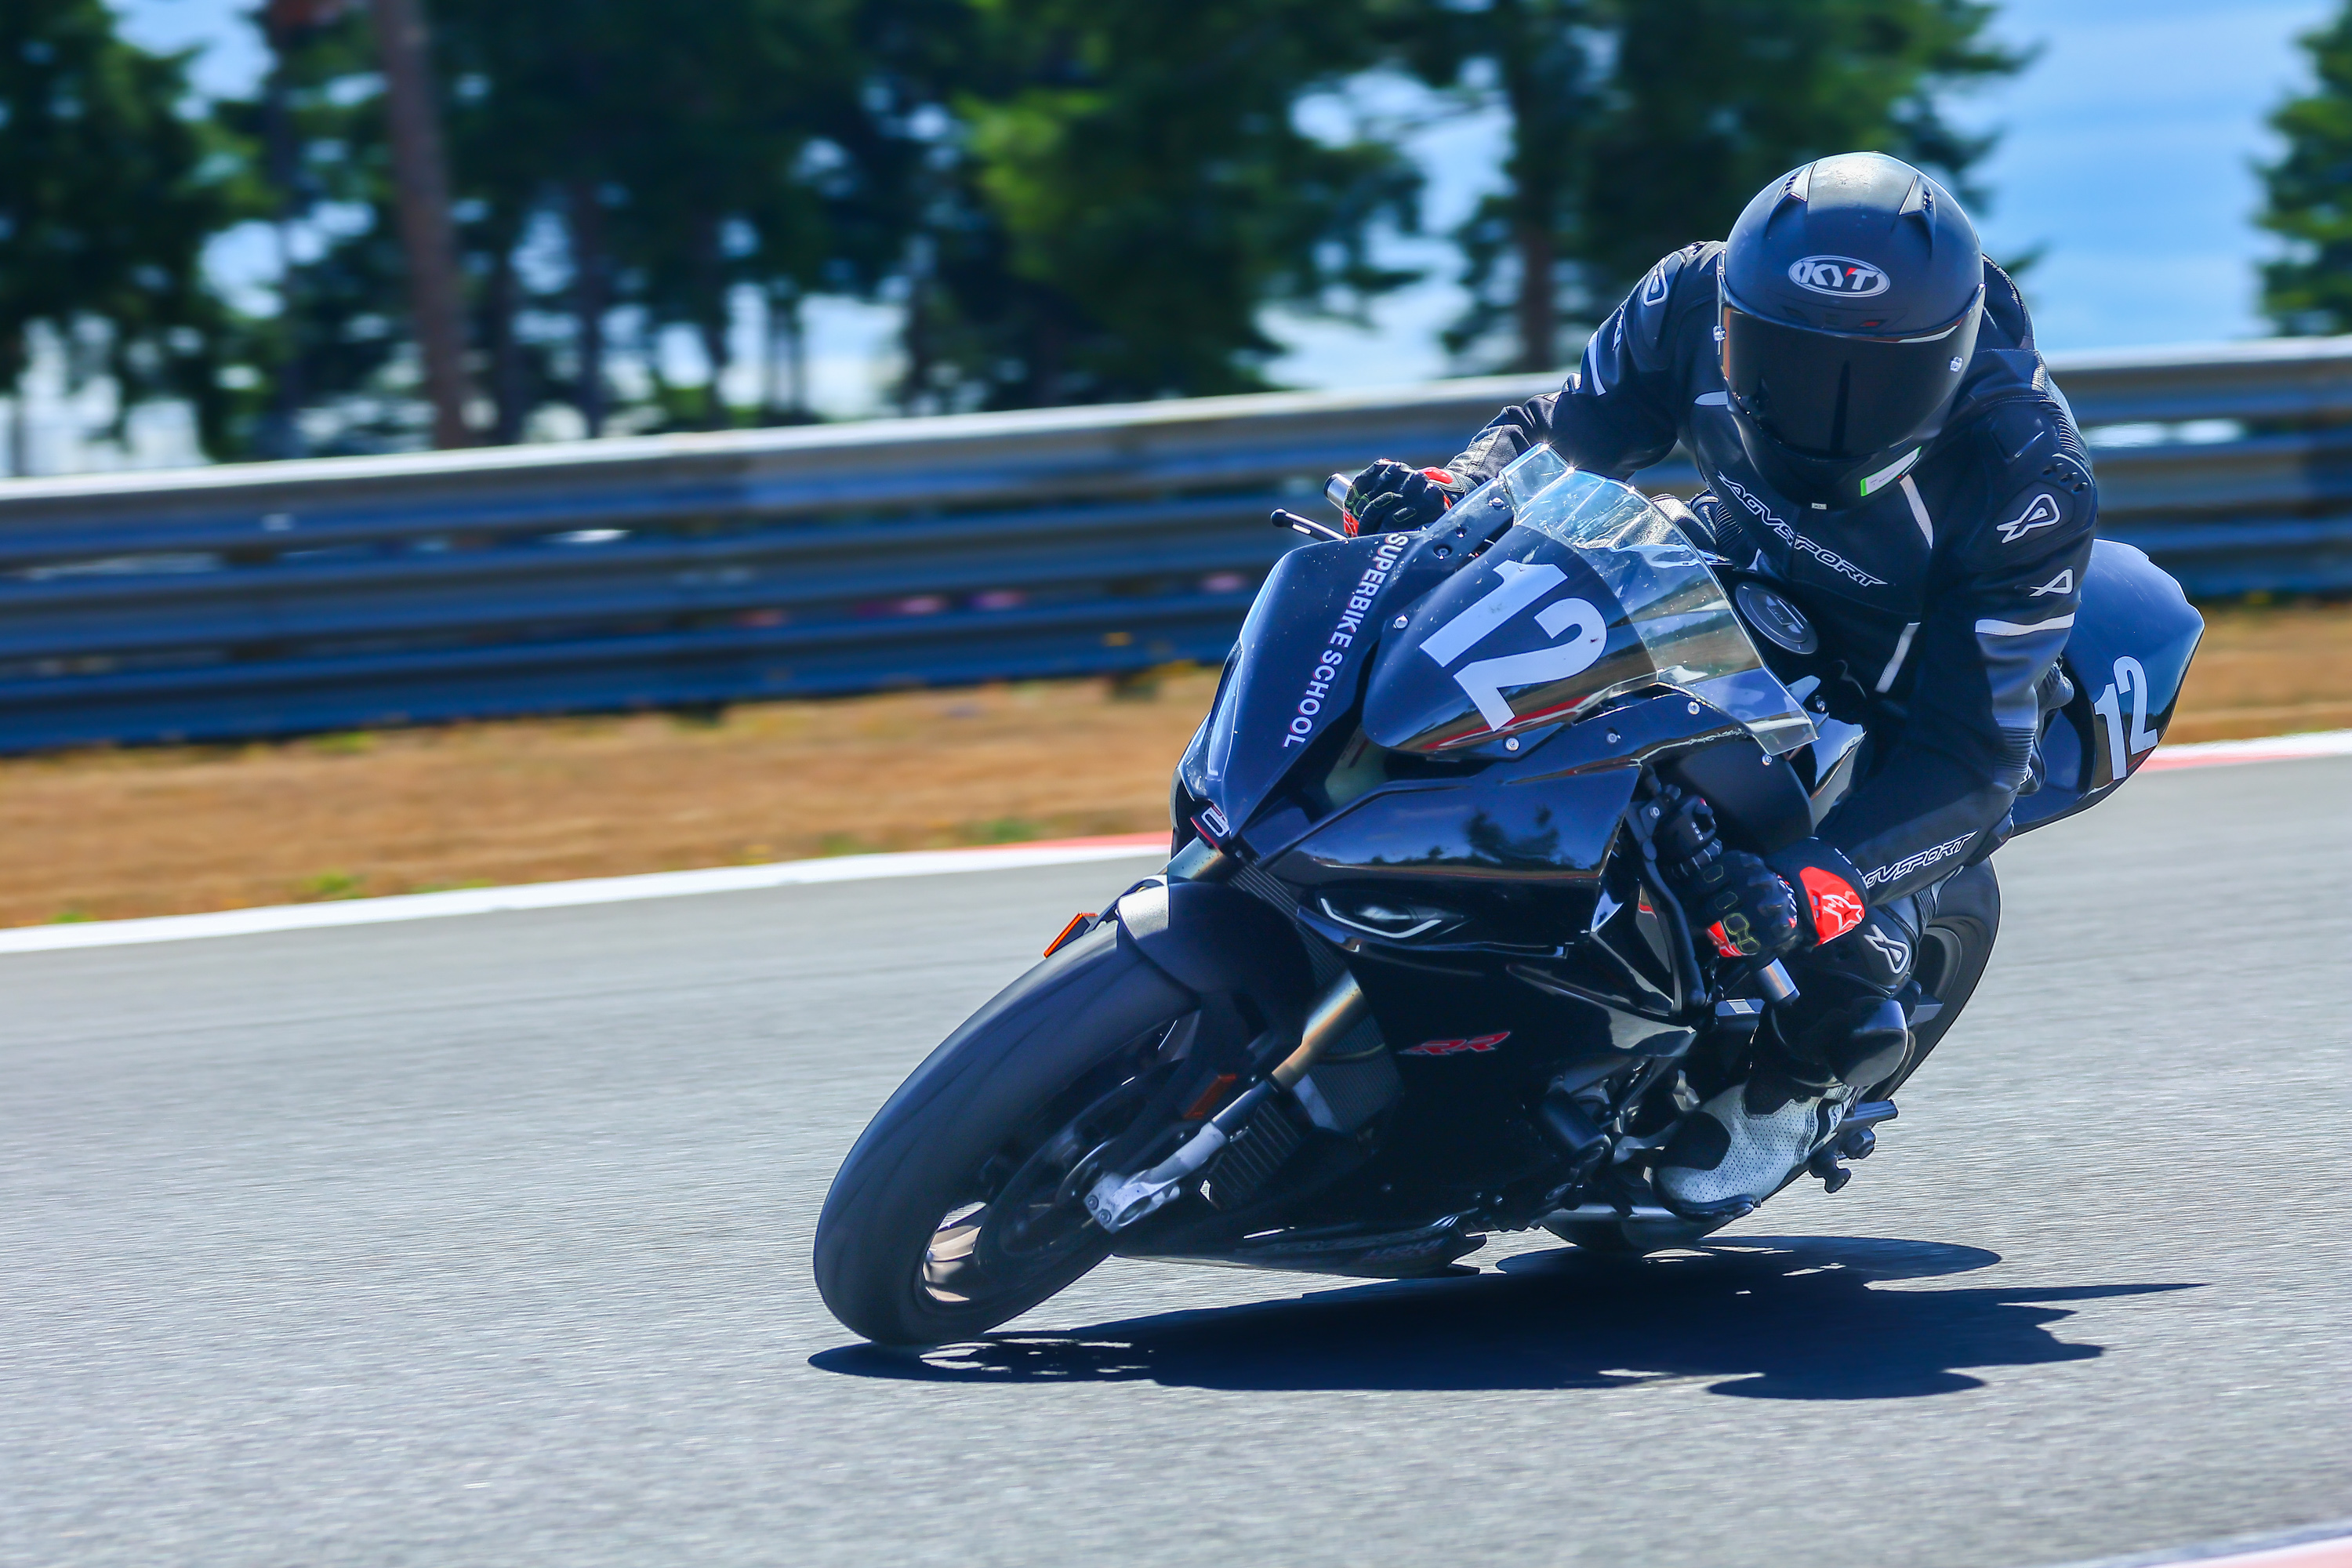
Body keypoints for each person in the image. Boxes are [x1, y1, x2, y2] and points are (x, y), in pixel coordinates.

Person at [1341, 151, 2095, 1220]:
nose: (1826, 412)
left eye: (1879, 381)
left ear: (1955, 358)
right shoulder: (1688, 294)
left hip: (1884, 696)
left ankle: (1801, 1090)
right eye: (1789, 359)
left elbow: (1975, 761)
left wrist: (1810, 890)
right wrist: (1451, 494)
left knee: (1814, 943)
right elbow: (1563, 445)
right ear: (1735, 321)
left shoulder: (2026, 475)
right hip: (1709, 573)